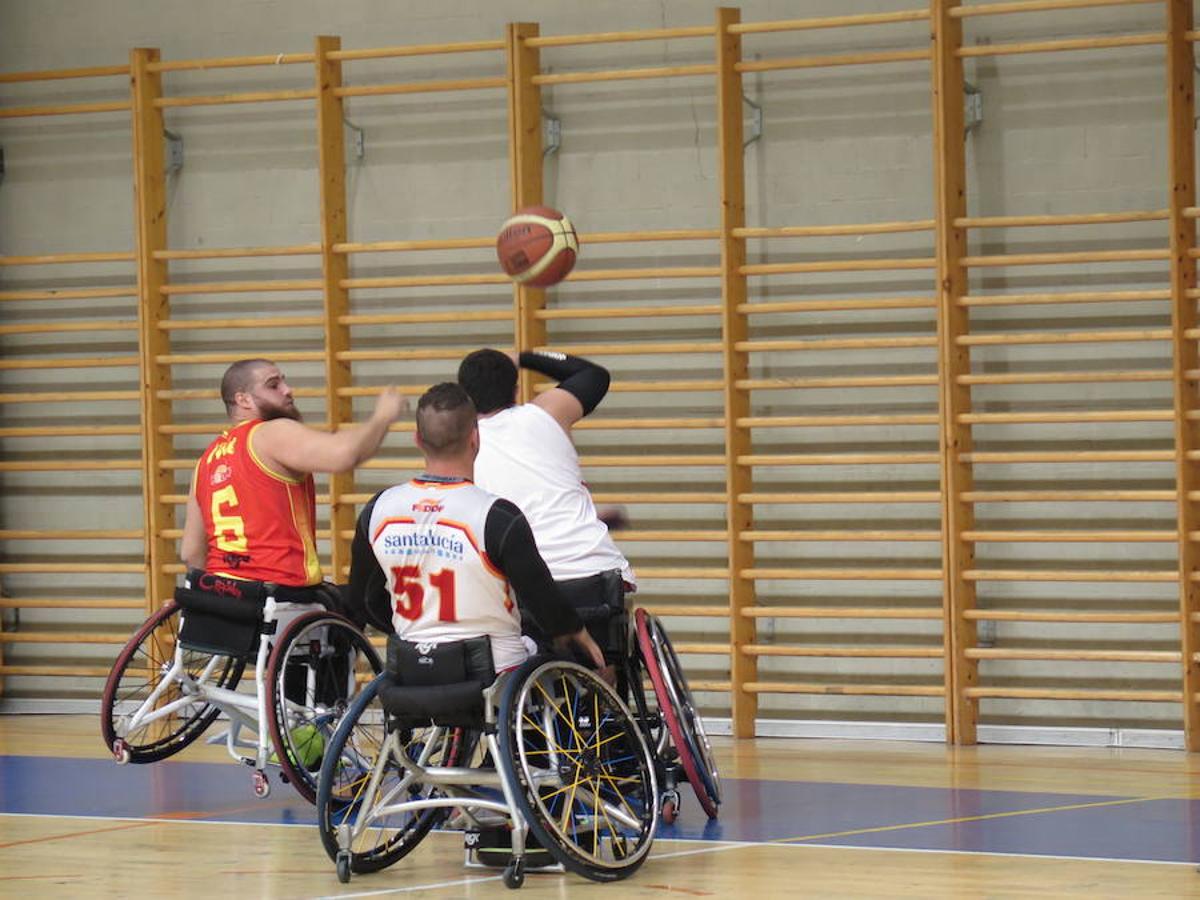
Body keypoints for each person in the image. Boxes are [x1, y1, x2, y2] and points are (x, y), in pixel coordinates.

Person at [347, 382, 605, 672]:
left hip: (413, 668)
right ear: (475, 438)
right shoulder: (496, 516)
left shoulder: (378, 509)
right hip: (492, 672)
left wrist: (405, 630)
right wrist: (574, 629)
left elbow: (363, 599)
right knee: (567, 650)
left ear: (417, 439)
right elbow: (543, 600)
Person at [180, 357, 407, 626]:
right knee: (356, 601)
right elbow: (344, 455)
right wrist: (382, 416)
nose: (288, 390)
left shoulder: (207, 459)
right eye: (274, 385)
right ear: (244, 400)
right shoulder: (270, 433)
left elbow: (191, 553)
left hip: (225, 600)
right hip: (279, 597)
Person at [456, 349, 635, 644]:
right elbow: (594, 375)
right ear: (515, 389)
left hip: (522, 587)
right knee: (606, 653)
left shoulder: (462, 447)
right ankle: (605, 679)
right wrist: (526, 357)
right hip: (591, 573)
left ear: (464, 398)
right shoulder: (547, 413)